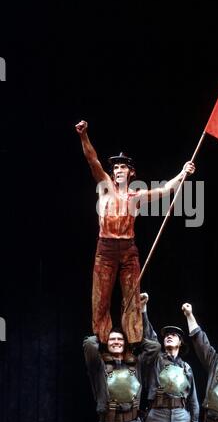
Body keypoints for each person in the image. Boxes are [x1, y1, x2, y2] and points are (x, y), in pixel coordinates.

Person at [75, 120, 195, 344]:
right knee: (100, 298)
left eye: (123, 167)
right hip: (106, 249)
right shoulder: (105, 186)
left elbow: (166, 190)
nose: (118, 170)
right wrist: (84, 136)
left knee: (131, 296)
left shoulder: (136, 197)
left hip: (128, 249)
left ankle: (133, 343)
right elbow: (92, 159)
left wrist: (183, 173)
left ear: (131, 172)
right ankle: (103, 342)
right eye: (116, 167)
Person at [83, 293, 159, 422]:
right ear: (107, 343)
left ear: (125, 343)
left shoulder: (136, 364)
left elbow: (155, 347)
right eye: (112, 339)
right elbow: (89, 344)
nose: (116, 342)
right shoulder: (99, 365)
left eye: (120, 339)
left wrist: (134, 338)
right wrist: (103, 335)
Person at [141, 294, 200, 422]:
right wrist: (143, 308)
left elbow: (193, 398)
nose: (169, 336)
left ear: (180, 342)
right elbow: (150, 337)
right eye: (166, 335)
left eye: (173, 335)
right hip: (157, 415)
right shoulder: (155, 360)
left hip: (181, 416)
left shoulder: (186, 367)